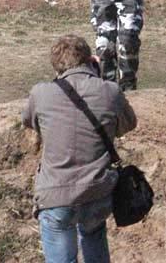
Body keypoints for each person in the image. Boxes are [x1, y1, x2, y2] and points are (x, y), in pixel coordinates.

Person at [22, 34, 137, 263]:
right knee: (94, 234)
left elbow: (30, 121)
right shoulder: (110, 91)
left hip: (56, 195)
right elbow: (128, 124)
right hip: (97, 191)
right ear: (90, 59)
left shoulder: (40, 93)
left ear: (56, 65)